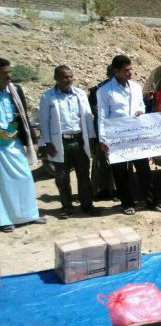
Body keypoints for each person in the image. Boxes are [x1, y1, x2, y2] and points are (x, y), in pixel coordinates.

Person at [97, 55, 161, 215]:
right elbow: (102, 116)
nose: (130, 73)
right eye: (126, 70)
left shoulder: (136, 87)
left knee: (144, 169)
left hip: (136, 134)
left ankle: (152, 202)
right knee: (120, 172)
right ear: (116, 71)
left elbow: (141, 104)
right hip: (117, 136)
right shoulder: (105, 91)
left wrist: (141, 111)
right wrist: (103, 139)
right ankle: (127, 203)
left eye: (130, 69)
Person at [39, 65, 100, 218]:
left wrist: (91, 138)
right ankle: (67, 207)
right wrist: (47, 143)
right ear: (56, 78)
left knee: (83, 175)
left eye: (71, 76)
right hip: (60, 142)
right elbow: (44, 121)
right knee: (62, 177)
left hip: (80, 141)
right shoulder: (47, 96)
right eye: (65, 77)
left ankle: (87, 205)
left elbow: (88, 117)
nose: (69, 80)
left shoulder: (80, 94)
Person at [0, 58, 46, 232]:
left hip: (14, 142)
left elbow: (23, 117)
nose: (9, 76)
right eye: (5, 73)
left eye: (9, 72)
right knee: (2, 184)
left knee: (24, 177)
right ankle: (4, 220)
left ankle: (29, 214)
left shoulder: (15, 90)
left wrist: (32, 141)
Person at [88, 65, 115, 200]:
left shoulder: (125, 89)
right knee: (101, 161)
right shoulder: (97, 90)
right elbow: (93, 110)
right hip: (102, 130)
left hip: (119, 131)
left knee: (118, 161)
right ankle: (99, 190)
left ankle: (115, 190)